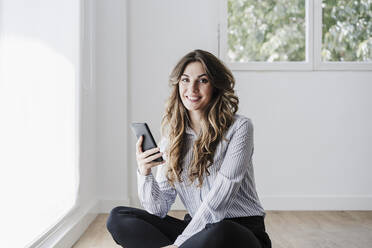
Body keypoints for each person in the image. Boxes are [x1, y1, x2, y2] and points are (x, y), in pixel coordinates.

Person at [106, 49, 272, 248]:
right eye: (185, 80)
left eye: (202, 81)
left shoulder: (240, 127)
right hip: (196, 231)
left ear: (216, 86)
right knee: (119, 217)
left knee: (221, 230)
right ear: (178, 85)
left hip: (238, 232)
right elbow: (158, 208)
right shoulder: (173, 137)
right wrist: (145, 172)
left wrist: (178, 245)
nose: (192, 88)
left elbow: (219, 200)